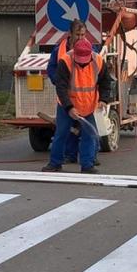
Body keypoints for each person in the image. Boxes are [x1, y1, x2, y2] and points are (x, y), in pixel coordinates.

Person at [42, 38, 109, 174]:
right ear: (74, 53)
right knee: (61, 133)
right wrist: (69, 107)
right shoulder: (65, 61)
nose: (82, 63)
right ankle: (55, 163)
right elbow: (61, 87)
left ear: (91, 54)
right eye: (79, 59)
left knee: (90, 135)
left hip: (88, 106)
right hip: (67, 106)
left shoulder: (98, 61)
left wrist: (103, 99)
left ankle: (87, 165)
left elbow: (105, 82)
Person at [46, 20, 99, 165]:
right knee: (63, 132)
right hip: (66, 99)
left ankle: (90, 160)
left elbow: (99, 71)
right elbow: (51, 68)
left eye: (83, 34)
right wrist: (58, 81)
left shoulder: (91, 50)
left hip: (85, 100)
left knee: (90, 132)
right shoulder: (60, 50)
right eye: (78, 34)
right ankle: (62, 159)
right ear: (70, 34)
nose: (81, 38)